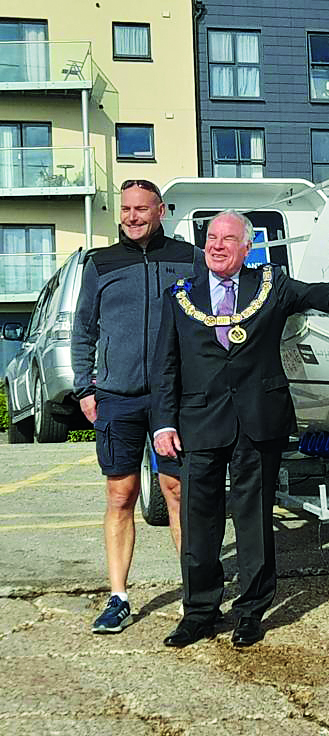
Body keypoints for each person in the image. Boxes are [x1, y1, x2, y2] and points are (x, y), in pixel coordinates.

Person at [152, 211, 329, 648]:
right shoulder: (180, 295)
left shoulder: (270, 285)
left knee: (253, 521)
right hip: (200, 422)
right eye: (211, 237)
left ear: (245, 248)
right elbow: (164, 366)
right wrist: (163, 424)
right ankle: (199, 612)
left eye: (227, 239)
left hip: (258, 421)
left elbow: (312, 293)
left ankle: (251, 611)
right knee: (199, 522)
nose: (216, 245)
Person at [72, 179, 204, 634]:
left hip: (175, 399)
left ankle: (195, 593)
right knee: (121, 495)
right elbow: (83, 329)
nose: (131, 216)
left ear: (160, 211)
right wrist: (84, 388)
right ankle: (118, 596)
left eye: (141, 209)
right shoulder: (99, 263)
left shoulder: (189, 258)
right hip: (116, 397)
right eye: (126, 209)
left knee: (178, 494)